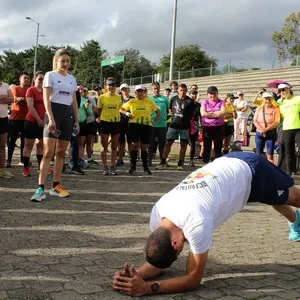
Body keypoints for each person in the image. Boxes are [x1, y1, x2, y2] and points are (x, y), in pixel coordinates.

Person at [113, 152, 300, 296]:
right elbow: (160, 263)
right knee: (276, 198)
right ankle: (296, 221)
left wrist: (147, 288)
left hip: (251, 170)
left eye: (178, 253)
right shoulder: (158, 217)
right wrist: (135, 275)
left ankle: (295, 218)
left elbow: (193, 279)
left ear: (175, 244)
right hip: (229, 174)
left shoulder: (195, 222)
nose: (181, 253)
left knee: (292, 197)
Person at [31, 48, 79, 201]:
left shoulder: (72, 79)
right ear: (56, 61)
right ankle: (40, 189)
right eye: (62, 61)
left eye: (67, 61)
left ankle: (56, 186)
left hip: (67, 116)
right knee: (47, 153)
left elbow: (74, 101)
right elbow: (46, 99)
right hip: (53, 114)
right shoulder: (50, 75)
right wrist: (51, 118)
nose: (65, 63)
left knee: (60, 153)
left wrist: (77, 120)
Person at [120, 84, 160, 175]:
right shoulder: (131, 101)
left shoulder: (149, 102)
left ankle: (145, 168)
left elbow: (158, 112)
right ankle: (132, 166)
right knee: (134, 145)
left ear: (144, 92)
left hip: (146, 126)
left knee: (144, 147)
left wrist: (154, 120)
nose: (140, 93)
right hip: (134, 125)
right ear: (135, 92)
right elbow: (120, 109)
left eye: (141, 91)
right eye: (138, 91)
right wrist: (126, 113)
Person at [156, 84, 195, 170]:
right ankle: (163, 162)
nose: (183, 92)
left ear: (186, 91)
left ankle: (180, 163)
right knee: (168, 144)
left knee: (183, 146)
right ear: (178, 91)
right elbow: (170, 110)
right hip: (173, 126)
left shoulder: (190, 101)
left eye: (184, 90)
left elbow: (192, 114)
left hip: (185, 127)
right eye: (181, 90)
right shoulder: (173, 99)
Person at [22, 71, 46, 177]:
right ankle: (26, 168)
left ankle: (40, 167)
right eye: (39, 79)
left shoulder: (46, 91)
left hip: (43, 122)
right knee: (28, 145)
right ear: (34, 79)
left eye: (43, 79)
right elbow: (30, 107)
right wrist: (38, 120)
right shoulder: (30, 90)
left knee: (41, 145)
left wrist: (44, 119)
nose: (41, 81)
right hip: (31, 121)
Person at [97, 78, 122, 175]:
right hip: (105, 122)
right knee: (104, 146)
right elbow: (99, 110)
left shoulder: (118, 97)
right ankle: (105, 166)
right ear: (106, 86)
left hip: (116, 123)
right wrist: (101, 118)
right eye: (109, 85)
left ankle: (112, 165)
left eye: (112, 85)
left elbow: (120, 109)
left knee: (114, 146)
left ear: (115, 87)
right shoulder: (102, 97)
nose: (111, 87)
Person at [7, 72, 31, 167]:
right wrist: (26, 100)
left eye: (28, 78)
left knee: (24, 141)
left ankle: (23, 160)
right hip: (15, 119)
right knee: (12, 141)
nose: (26, 80)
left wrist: (23, 100)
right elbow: (15, 99)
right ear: (19, 79)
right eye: (25, 78)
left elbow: (30, 102)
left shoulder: (30, 90)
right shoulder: (15, 88)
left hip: (27, 119)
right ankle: (9, 160)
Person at [277, 83, 300, 176]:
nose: (282, 92)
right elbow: (267, 103)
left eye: (283, 90)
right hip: (286, 128)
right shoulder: (279, 102)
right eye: (280, 91)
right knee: (289, 151)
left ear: (289, 89)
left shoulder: (297, 98)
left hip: (298, 127)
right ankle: (290, 171)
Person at [253, 91, 280, 164]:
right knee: (259, 153)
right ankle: (261, 170)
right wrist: (261, 129)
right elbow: (255, 120)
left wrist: (266, 129)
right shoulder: (259, 108)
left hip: (270, 133)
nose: (267, 100)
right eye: (266, 99)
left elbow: (276, 121)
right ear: (263, 99)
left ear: (272, 99)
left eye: (269, 99)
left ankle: (271, 171)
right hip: (259, 133)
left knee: (270, 154)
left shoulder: (275, 109)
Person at [200, 86, 225, 163]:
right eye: (210, 94)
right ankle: (205, 163)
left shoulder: (221, 102)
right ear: (207, 94)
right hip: (207, 127)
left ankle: (217, 164)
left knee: (218, 147)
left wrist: (210, 114)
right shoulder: (204, 102)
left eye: (214, 93)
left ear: (217, 94)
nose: (212, 95)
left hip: (219, 127)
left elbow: (223, 112)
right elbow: (203, 113)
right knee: (207, 146)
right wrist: (217, 114)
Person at [148, 82, 169, 166]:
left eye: (157, 88)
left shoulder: (165, 99)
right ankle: (149, 160)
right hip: (151, 125)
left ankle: (163, 160)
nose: (156, 90)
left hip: (162, 125)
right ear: (151, 89)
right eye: (154, 88)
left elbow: (169, 111)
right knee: (150, 144)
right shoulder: (148, 99)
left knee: (162, 144)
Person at [116, 83, 134, 167]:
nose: (124, 91)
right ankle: (120, 159)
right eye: (123, 89)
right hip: (121, 122)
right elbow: (118, 109)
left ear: (129, 90)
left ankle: (132, 159)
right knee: (121, 142)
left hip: (131, 123)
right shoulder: (118, 99)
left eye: (126, 89)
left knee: (130, 142)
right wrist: (125, 112)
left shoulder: (133, 99)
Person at [0, 80, 14, 178]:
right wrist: (4, 97)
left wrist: (3, 98)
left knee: (2, 145)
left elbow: (12, 99)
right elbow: (7, 98)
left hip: (3, 118)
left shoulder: (5, 85)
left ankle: (1, 169)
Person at [188, 89, 201, 167]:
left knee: (193, 143)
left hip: (195, 124)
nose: (194, 95)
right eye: (192, 94)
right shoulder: (186, 102)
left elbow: (200, 116)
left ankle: (191, 160)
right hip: (186, 123)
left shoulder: (198, 105)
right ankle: (181, 160)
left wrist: (201, 125)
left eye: (195, 94)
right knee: (184, 142)